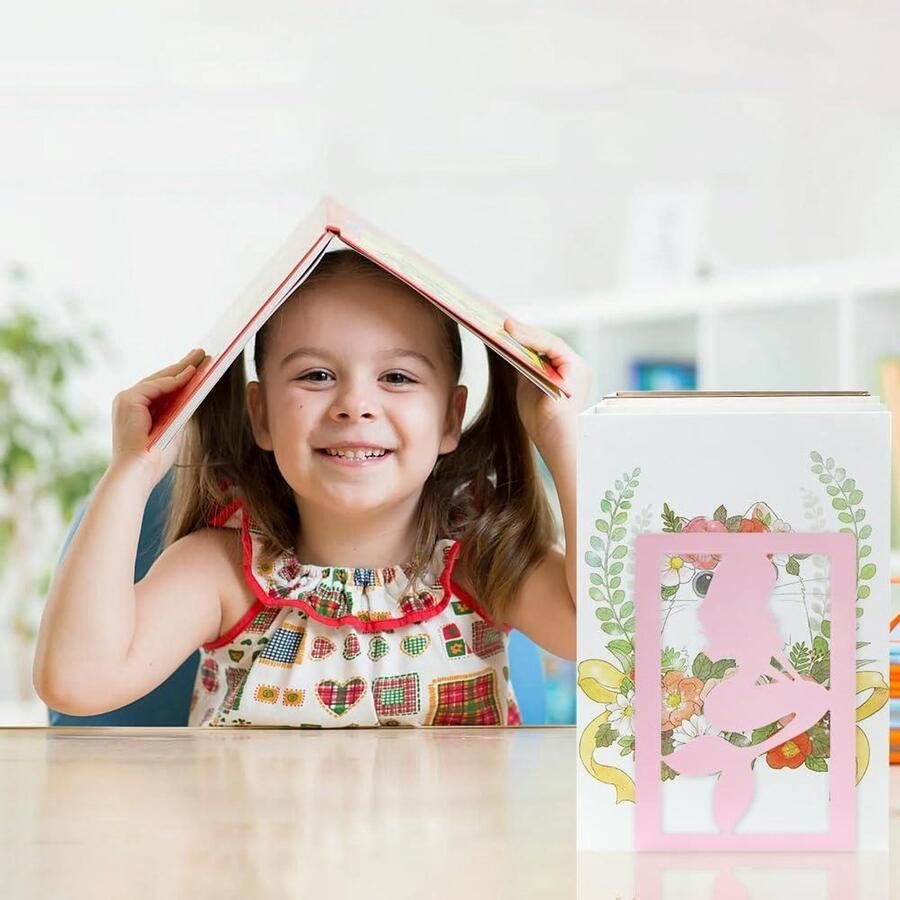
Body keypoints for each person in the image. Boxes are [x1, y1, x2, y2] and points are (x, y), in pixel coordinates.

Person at [33, 249, 589, 727]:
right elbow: (77, 682)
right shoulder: (220, 573)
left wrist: (562, 432)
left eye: (397, 377)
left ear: (450, 419)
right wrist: (132, 469)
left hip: (452, 853)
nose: (355, 404)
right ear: (262, 416)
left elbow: (625, 647)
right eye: (316, 375)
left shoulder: (484, 566)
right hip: (255, 854)